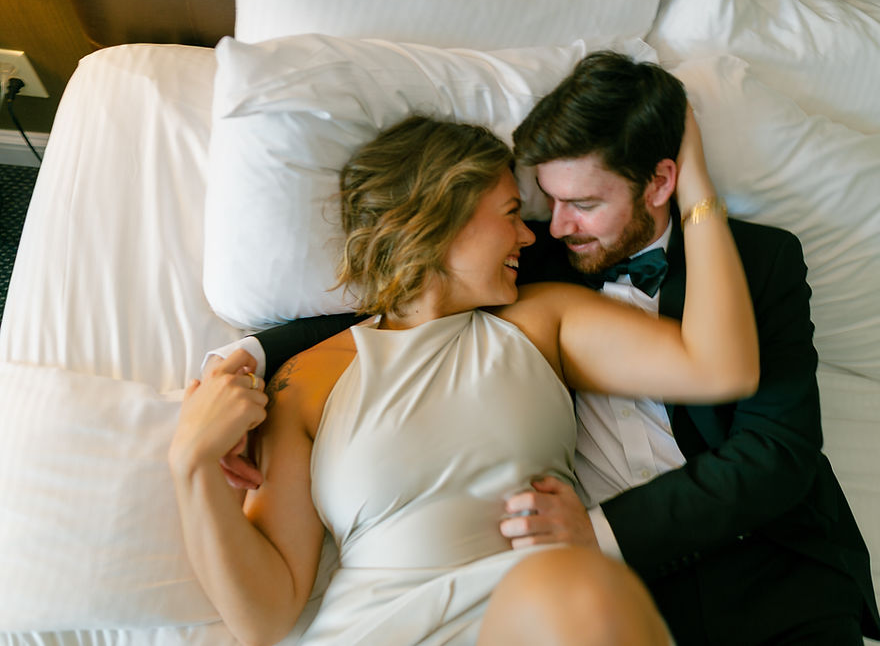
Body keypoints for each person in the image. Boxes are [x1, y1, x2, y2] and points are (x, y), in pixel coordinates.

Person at [212, 51, 880, 645]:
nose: (550, 228)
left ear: (658, 183)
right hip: (633, 592)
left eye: (584, 203)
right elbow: (407, 301)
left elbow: (776, 457)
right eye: (537, 205)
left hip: (770, 575)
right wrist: (250, 357)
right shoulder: (534, 268)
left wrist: (699, 193)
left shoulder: (761, 262)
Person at [173, 114, 757, 644]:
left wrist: (696, 191)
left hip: (550, 620)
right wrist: (192, 465)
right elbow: (265, 616)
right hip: (379, 631)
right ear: (441, 215)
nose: (530, 236)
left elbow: (719, 365)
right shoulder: (307, 380)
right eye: (510, 213)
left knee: (589, 594)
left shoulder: (544, 322)